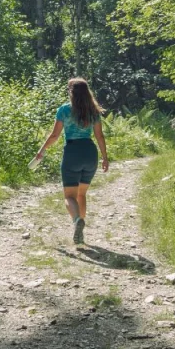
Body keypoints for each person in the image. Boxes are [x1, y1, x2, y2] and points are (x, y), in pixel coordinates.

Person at [35, 77, 109, 245]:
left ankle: (77, 221)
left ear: (71, 92)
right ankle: (80, 230)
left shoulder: (64, 110)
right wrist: (105, 157)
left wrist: (42, 150)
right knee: (82, 194)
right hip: (90, 153)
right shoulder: (94, 111)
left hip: (72, 152)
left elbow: (55, 135)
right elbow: (99, 136)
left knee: (69, 196)